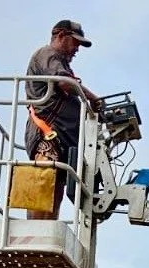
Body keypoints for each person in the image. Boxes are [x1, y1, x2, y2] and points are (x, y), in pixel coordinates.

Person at [23, 20, 103, 216]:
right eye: (75, 42)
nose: (77, 49)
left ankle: (45, 232)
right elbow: (64, 83)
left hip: (62, 140)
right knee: (43, 181)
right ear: (60, 36)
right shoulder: (47, 54)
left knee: (55, 190)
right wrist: (92, 99)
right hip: (47, 135)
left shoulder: (62, 63)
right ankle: (35, 232)